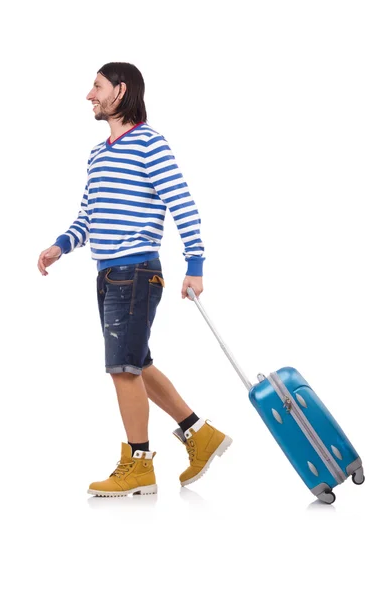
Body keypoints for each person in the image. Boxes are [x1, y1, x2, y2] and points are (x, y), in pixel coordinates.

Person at [37, 62, 232, 497]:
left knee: (122, 369)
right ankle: (200, 435)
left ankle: (138, 464)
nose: (89, 95)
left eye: (97, 86)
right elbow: (88, 215)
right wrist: (61, 245)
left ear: (120, 91)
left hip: (136, 272)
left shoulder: (150, 144)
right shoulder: (98, 153)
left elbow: (183, 204)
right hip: (108, 274)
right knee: (137, 363)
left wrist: (195, 265)